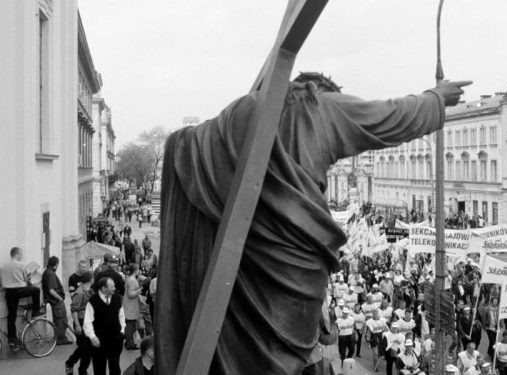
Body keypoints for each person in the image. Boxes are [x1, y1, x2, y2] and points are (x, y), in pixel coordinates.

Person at [156, 73, 471, 375]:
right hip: (297, 255)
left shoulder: (239, 113)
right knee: (281, 353)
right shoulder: (319, 106)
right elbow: (391, 116)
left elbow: (194, 150)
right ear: (325, 90)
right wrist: (435, 99)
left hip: (243, 252)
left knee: (237, 343)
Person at [1, 247, 44, 348]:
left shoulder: (3, 266)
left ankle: (12, 338)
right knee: (36, 290)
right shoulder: (21, 265)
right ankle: (35, 311)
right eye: (20, 254)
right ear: (16, 254)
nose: (21, 256)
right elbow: (27, 279)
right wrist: (30, 283)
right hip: (19, 291)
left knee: (11, 315)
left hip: (8, 292)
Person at [85, 277, 126, 375]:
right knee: (99, 369)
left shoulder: (117, 297)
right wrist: (92, 337)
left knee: (115, 368)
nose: (114, 288)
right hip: (99, 341)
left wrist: (122, 330)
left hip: (116, 340)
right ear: (104, 288)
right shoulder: (93, 301)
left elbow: (121, 315)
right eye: (112, 287)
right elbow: (87, 322)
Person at [66, 271, 95, 375]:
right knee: (84, 347)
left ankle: (83, 370)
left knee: (89, 349)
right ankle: (70, 362)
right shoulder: (80, 293)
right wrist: (77, 325)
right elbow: (74, 310)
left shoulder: (89, 291)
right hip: (81, 321)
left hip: (88, 322)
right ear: (91, 280)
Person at [43, 256, 73, 345]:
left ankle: (59, 338)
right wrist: (60, 298)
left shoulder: (46, 272)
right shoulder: (51, 274)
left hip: (53, 302)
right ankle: (61, 339)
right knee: (61, 321)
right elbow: (51, 290)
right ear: (55, 265)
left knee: (59, 320)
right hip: (56, 302)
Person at [123, 263, 142, 350]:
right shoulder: (132, 280)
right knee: (131, 325)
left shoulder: (129, 279)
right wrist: (140, 290)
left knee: (131, 325)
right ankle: (130, 343)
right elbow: (131, 294)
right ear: (136, 270)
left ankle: (128, 341)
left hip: (129, 305)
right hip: (130, 305)